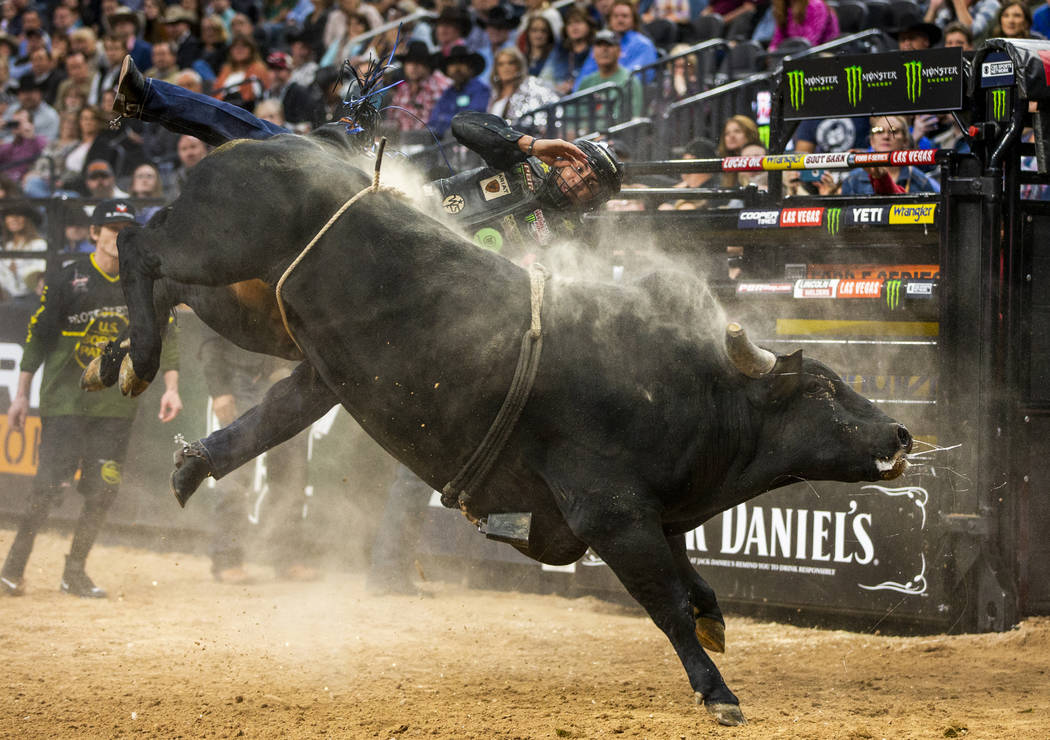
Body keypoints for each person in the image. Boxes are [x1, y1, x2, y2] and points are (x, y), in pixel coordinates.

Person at [0, 198, 182, 598]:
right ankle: (12, 569)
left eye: (127, 230)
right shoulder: (68, 279)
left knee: (103, 491)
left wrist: (171, 386)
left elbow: (165, 335)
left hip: (116, 407)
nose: (120, 236)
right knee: (47, 487)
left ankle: (75, 572)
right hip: (66, 403)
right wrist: (20, 396)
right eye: (113, 229)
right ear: (94, 234)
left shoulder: (143, 282)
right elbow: (37, 339)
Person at [199, 329, 320, 584]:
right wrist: (219, 389)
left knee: (292, 474)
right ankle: (226, 559)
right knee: (235, 474)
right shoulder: (230, 287)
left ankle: (286, 557)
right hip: (241, 378)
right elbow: (211, 335)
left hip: (290, 378)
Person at [840, 116, 941, 195]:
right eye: (879, 131)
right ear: (872, 141)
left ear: (905, 141)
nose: (886, 136)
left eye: (893, 131)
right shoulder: (852, 179)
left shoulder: (922, 182)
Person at [574, 0, 658, 89]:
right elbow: (584, 75)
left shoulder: (643, 44)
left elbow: (633, 80)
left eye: (624, 16)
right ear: (609, 20)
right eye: (615, 16)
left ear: (633, 20)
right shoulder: (600, 44)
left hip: (624, 95)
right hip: (596, 95)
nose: (620, 20)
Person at [575, 30, 643, 121]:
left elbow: (630, 119)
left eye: (609, 45)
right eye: (599, 45)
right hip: (584, 133)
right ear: (592, 53)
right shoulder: (587, 82)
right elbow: (572, 115)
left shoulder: (630, 81)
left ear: (619, 51)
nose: (604, 49)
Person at [388, 40, 451, 133]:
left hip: (429, 141)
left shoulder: (438, 87)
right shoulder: (403, 90)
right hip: (401, 141)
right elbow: (391, 118)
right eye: (409, 62)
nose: (413, 67)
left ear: (427, 65)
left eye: (419, 62)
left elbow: (438, 123)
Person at [428, 45, 491, 138]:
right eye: (452, 64)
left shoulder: (481, 90)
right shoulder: (447, 93)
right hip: (445, 143)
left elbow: (472, 121)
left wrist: (444, 121)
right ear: (447, 70)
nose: (457, 68)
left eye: (462, 63)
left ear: (471, 68)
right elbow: (433, 121)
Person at [486, 47, 558, 123]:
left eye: (511, 63)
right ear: (496, 69)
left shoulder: (531, 88)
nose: (506, 67)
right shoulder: (494, 95)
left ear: (518, 66)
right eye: (501, 64)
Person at [0, 202, 47, 299]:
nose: (14, 219)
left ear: (28, 220)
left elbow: (39, 275)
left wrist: (17, 271)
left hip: (31, 298)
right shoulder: (7, 246)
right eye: (9, 215)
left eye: (18, 215)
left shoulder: (38, 244)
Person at [551, 7, 594, 95]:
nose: (574, 27)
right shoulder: (561, 52)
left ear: (588, 26)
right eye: (569, 24)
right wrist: (560, 86)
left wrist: (575, 86)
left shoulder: (595, 50)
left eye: (578, 22)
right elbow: (548, 77)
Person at [768, 0, 839, 52]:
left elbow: (810, 42)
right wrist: (772, 50)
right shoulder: (784, 8)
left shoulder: (816, 4)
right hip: (793, 53)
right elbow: (777, 40)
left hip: (823, 53)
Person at [925, 0, 1002, 41]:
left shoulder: (989, 3)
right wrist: (933, 8)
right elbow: (929, 37)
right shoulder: (948, 10)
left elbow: (972, 31)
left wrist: (959, 3)